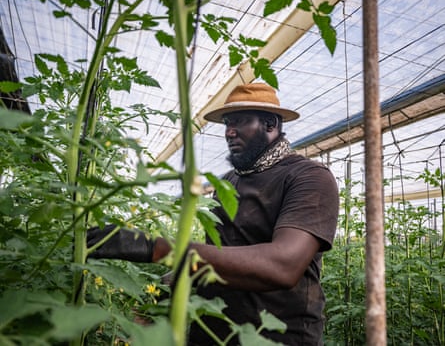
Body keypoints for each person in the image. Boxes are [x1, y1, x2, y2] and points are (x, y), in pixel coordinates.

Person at [87, 83, 339, 345]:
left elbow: (283, 266)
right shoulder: (228, 183)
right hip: (212, 333)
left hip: (277, 337)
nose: (229, 132)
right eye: (227, 123)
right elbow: (217, 261)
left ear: (270, 124)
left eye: (240, 121)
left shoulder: (308, 178)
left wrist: (158, 248)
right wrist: (160, 294)